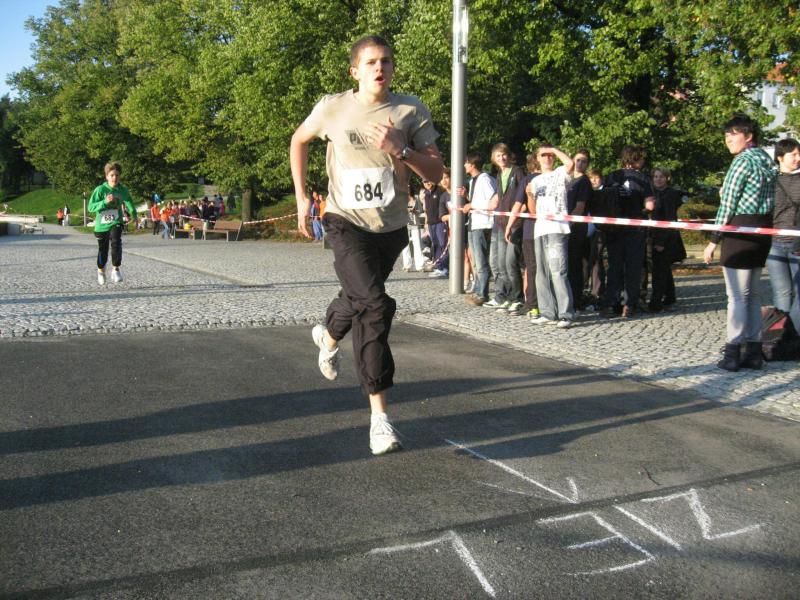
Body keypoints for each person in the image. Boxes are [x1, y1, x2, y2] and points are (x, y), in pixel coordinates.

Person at [290, 35, 443, 455]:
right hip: (344, 222)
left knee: (358, 296)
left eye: (386, 61)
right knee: (375, 305)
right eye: (371, 62)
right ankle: (380, 419)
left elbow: (435, 172)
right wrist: (302, 197)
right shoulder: (333, 107)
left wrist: (402, 149)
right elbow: (299, 140)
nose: (380, 68)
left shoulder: (411, 110)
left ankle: (327, 335)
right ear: (354, 70)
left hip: (389, 228)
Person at [704, 114, 776, 371]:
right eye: (726, 135)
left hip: (740, 229)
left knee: (736, 296)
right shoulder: (766, 160)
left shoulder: (742, 162)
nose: (728, 139)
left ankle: (733, 352)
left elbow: (728, 204)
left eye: (733, 134)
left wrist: (713, 240)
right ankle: (754, 352)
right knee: (753, 295)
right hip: (762, 229)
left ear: (748, 136)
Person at [509, 144, 575, 327]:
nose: (547, 158)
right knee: (541, 273)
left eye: (549, 155)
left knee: (558, 271)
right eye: (543, 155)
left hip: (557, 229)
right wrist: (530, 195)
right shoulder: (535, 181)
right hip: (540, 229)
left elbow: (570, 164)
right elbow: (533, 211)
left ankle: (565, 314)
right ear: (537, 159)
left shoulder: (559, 173)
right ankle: (547, 312)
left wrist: (553, 150)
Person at [600, 145, 656, 318]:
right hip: (635, 228)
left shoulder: (611, 176)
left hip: (613, 228)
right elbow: (650, 205)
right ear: (636, 159)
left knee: (614, 266)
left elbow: (602, 199)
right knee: (633, 267)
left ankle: (611, 303)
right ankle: (629, 304)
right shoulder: (643, 179)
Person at [485, 143, 526, 315]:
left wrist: (515, 218)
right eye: (498, 156)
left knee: (510, 262)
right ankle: (508, 297)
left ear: (509, 155)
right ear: (494, 159)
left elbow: (523, 197)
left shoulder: (517, 172)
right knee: (501, 264)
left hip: (515, 223)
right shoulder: (499, 175)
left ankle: (518, 298)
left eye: (503, 155)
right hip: (501, 224)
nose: (501, 158)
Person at [766, 137, 800, 330]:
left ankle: (791, 334)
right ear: (780, 157)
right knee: (782, 292)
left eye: (799, 154)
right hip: (774, 243)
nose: (798, 158)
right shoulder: (769, 180)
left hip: (797, 243)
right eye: (793, 154)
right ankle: (782, 336)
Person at [87, 162, 137, 285]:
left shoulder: (122, 190)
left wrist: (134, 214)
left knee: (116, 242)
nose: (115, 178)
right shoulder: (100, 190)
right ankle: (100, 271)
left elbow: (128, 201)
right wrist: (104, 202)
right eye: (112, 175)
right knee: (103, 250)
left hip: (116, 221)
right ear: (107, 177)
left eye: (117, 175)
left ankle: (116, 269)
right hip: (101, 225)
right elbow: (90, 207)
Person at [460, 152, 497, 306]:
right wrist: (467, 197)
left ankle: (482, 294)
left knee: (481, 261)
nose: (464, 165)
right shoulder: (472, 181)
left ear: (472, 164)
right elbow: (477, 201)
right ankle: (477, 290)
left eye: (466, 162)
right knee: (475, 261)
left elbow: (492, 201)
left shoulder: (485, 179)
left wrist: (471, 205)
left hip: (483, 224)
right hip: (474, 223)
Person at [649, 167, 686, 312]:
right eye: (656, 176)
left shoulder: (670, 194)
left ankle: (656, 303)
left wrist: (661, 242)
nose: (658, 179)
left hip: (666, 238)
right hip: (655, 235)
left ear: (667, 178)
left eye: (661, 177)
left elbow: (669, 219)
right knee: (664, 270)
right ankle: (670, 298)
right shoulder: (653, 193)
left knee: (659, 271)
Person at [566, 149, 592, 310]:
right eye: (578, 160)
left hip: (576, 228)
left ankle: (576, 300)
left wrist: (568, 223)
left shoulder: (584, 182)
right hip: (566, 226)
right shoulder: (568, 179)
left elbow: (580, 207)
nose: (580, 163)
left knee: (575, 265)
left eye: (584, 161)